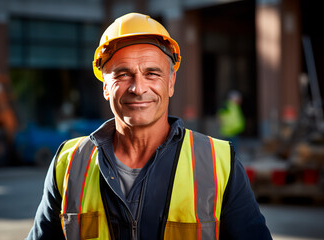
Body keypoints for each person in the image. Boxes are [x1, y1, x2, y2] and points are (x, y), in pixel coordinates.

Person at [27, 13, 272, 240]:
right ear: (104, 86)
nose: (138, 88)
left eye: (152, 73)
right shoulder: (69, 163)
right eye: (123, 74)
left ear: (171, 82)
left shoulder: (219, 163)